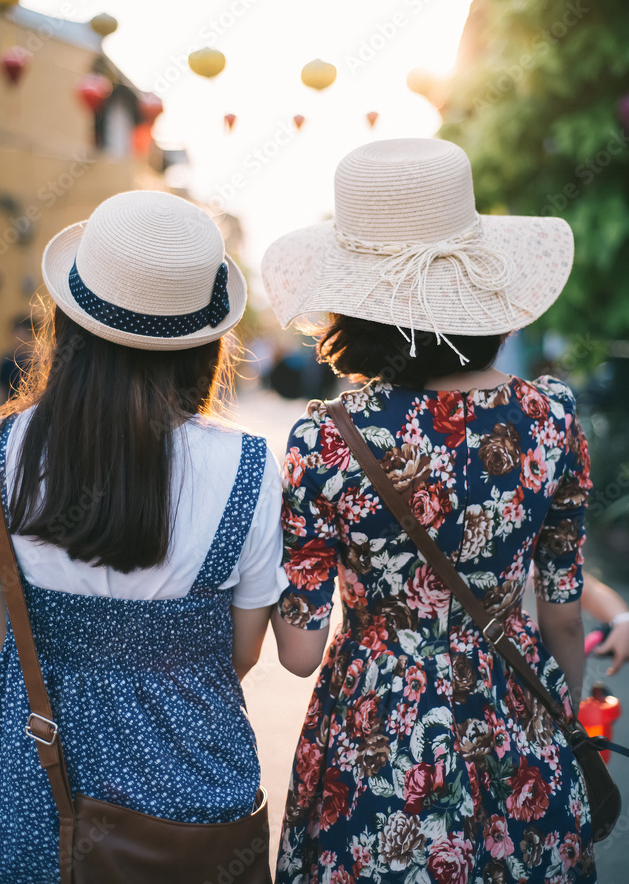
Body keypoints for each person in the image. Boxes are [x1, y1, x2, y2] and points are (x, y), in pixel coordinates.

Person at [261, 139, 596, 882]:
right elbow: (564, 613)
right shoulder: (552, 419)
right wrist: (551, 714)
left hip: (376, 732)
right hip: (519, 715)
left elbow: (296, 651)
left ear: (356, 306)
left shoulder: (327, 440)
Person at [0, 191, 286, 882]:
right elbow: (243, 651)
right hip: (193, 780)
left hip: (36, 775)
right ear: (203, 343)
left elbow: (5, 628)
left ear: (70, 326)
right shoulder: (249, 467)